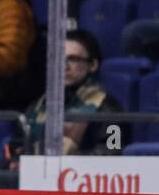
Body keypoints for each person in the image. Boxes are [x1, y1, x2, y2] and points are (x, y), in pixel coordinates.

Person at [13, 30, 123, 161]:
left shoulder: (109, 109)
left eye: (73, 59)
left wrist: (68, 163)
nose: (64, 66)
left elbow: (112, 152)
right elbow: (18, 146)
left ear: (93, 65)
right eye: (58, 59)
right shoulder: (36, 106)